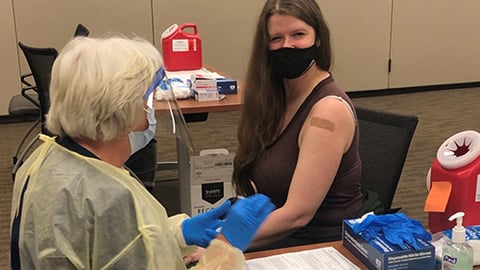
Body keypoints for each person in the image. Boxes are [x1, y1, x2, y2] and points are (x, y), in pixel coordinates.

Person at [10, 35, 275, 269]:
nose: (149, 107)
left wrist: (176, 234)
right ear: (121, 106)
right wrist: (225, 246)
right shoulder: (109, 197)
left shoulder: (45, 158)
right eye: (146, 96)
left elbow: (112, 248)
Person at [232, 0, 369, 251]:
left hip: (317, 246)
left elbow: (298, 215)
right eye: (276, 38)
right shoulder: (275, 96)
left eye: (298, 34)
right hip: (279, 233)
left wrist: (223, 241)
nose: (287, 45)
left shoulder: (328, 111)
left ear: (318, 38)